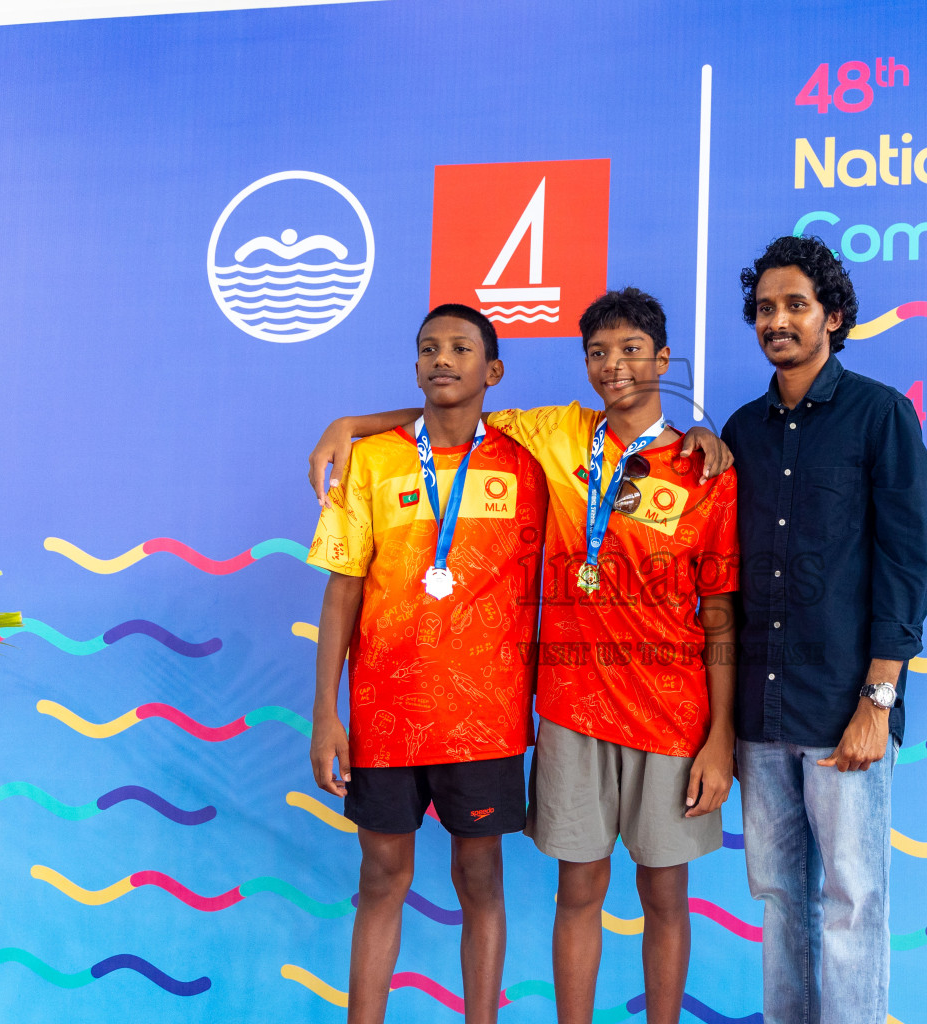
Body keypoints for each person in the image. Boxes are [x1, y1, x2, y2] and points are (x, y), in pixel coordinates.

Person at [308, 288, 740, 1024]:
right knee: (570, 893)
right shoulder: (554, 436)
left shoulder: (701, 469)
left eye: (631, 351)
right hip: (558, 710)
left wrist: (721, 736)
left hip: (657, 715)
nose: (614, 366)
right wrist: (350, 423)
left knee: (658, 894)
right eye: (598, 353)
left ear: (663, 361)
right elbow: (448, 413)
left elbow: (721, 605)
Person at [307, 303, 547, 1024]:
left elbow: (624, 431)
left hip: (485, 719)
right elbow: (341, 591)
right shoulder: (372, 461)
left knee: (481, 879)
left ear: (493, 370)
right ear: (414, 366)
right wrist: (326, 714)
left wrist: (694, 432)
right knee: (382, 878)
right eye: (428, 348)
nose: (442, 359)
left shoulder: (528, 460)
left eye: (461, 348)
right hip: (384, 718)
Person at [720, 235, 927, 1024]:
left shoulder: (881, 415)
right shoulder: (741, 432)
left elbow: (905, 564)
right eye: (766, 309)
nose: (778, 320)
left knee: (853, 898)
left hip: (847, 707)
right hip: (761, 714)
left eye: (796, 305)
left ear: (832, 316)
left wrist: (879, 700)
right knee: (781, 901)